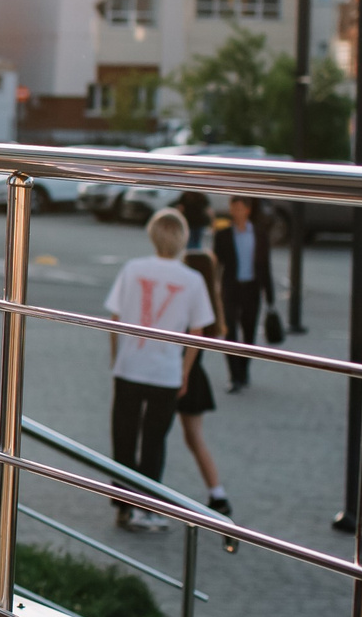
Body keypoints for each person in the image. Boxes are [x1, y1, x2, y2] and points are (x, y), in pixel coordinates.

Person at [103, 208, 214, 533]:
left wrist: (116, 356)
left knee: (123, 436)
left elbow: (115, 318)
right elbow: (198, 332)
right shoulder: (192, 280)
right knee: (154, 441)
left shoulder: (133, 269)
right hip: (166, 371)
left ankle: (123, 503)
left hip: (130, 366)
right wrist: (186, 371)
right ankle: (148, 506)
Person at [175, 248, 231, 517]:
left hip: (179, 373)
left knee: (157, 436)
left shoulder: (187, 302)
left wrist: (182, 373)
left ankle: (146, 493)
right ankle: (218, 493)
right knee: (194, 438)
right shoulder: (209, 304)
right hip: (197, 377)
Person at [209, 194, 274, 392]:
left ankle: (244, 371)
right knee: (230, 332)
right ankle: (234, 376)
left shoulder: (260, 235)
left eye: (238, 208)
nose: (235, 212)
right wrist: (213, 291)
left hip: (252, 289)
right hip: (230, 288)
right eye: (232, 208)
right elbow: (216, 265)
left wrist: (270, 297)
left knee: (249, 333)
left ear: (247, 210)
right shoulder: (222, 235)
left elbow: (265, 267)